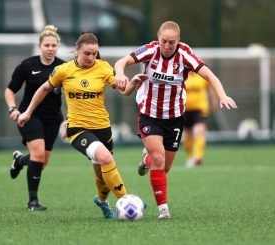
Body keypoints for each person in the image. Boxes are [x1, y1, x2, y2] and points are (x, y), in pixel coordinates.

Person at [114, 21, 237, 219]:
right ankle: (163, 210)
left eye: (172, 42)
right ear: (158, 38)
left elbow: (209, 76)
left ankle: (147, 159)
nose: (167, 46)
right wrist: (120, 74)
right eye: (164, 41)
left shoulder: (185, 55)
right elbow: (121, 62)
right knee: (159, 159)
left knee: (165, 166)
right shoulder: (150, 50)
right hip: (150, 115)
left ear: (178, 41)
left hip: (175, 117)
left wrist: (222, 96)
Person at [17, 32, 130, 219]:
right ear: (77, 50)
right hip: (78, 129)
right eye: (87, 53)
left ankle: (101, 201)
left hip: (103, 128)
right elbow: (44, 88)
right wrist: (28, 112)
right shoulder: (64, 70)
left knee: (102, 176)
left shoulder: (103, 67)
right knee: (106, 158)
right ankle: (125, 200)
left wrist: (131, 83)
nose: (91, 57)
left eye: (95, 53)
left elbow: (124, 91)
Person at [4, 25, 65, 211]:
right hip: (29, 115)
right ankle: (33, 202)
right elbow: (10, 90)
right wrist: (12, 109)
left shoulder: (64, 67)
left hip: (53, 118)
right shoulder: (27, 65)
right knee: (38, 154)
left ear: (58, 46)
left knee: (42, 162)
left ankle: (20, 160)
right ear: (40, 45)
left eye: (54, 45)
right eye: (47, 45)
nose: (50, 48)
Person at [183, 71, 218, 168]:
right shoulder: (182, 76)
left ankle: (197, 157)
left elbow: (211, 89)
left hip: (200, 109)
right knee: (187, 135)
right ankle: (190, 157)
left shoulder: (201, 76)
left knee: (198, 131)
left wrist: (214, 102)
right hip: (184, 110)